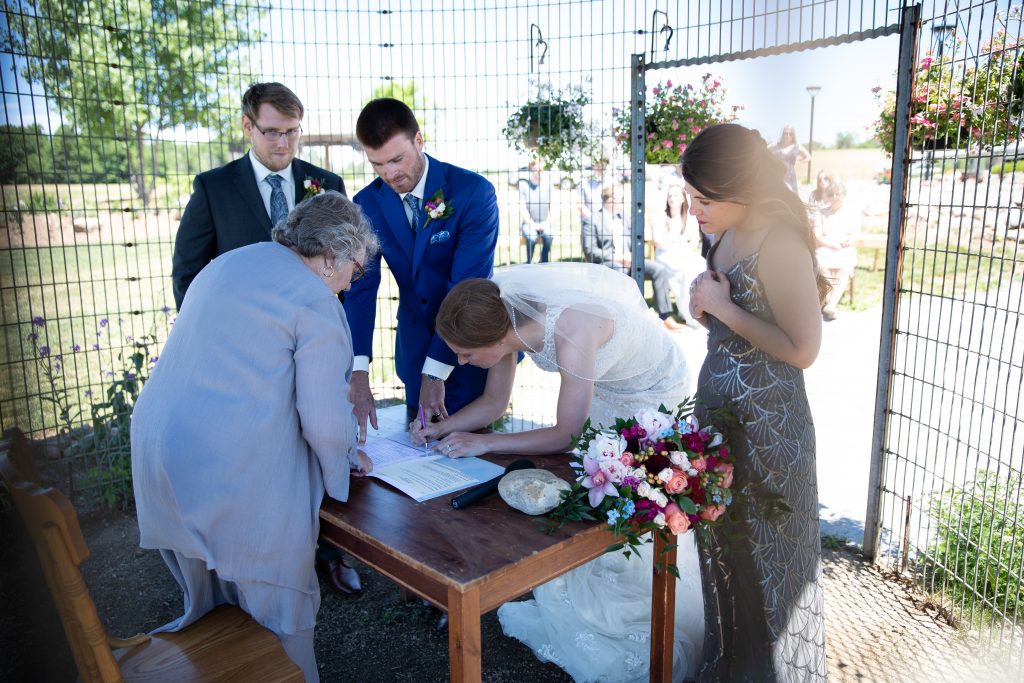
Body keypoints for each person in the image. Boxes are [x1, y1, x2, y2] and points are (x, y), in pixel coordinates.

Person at [410, 262, 703, 681]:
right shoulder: (504, 319)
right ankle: (588, 597)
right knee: (597, 489)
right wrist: (441, 427)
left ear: (496, 339)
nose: (460, 361)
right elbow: (494, 403)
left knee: (626, 493)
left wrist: (486, 441)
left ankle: (638, 606)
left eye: (466, 354)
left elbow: (566, 432)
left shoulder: (573, 329)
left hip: (651, 391)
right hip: (606, 386)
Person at [132, 192, 379, 682]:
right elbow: (325, 422)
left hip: (157, 452)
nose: (355, 279)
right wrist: (345, 469)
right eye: (357, 266)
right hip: (229, 470)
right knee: (283, 614)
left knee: (216, 602)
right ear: (332, 256)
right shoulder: (316, 300)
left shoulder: (231, 262)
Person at [683, 123, 829, 681]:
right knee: (724, 552)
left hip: (770, 429)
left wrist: (721, 309)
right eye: (690, 196)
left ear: (742, 188)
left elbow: (803, 349)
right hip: (718, 416)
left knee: (773, 562)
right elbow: (722, 309)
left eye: (704, 199)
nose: (693, 209)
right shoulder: (722, 231)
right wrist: (704, 305)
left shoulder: (780, 242)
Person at [344, 97, 499, 433]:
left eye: (397, 159)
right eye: (377, 164)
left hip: (470, 352)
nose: (390, 173)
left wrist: (436, 372)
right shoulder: (367, 203)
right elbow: (360, 289)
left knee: (473, 450)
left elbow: (465, 290)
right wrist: (358, 371)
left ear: (419, 140)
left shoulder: (473, 193)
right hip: (414, 352)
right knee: (420, 446)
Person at [171, 82, 345, 310]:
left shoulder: (329, 184)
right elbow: (187, 273)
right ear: (247, 125)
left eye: (292, 131)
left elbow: (346, 264)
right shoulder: (213, 189)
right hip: (242, 328)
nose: (284, 144)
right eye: (272, 132)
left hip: (314, 327)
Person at [582, 183, 685, 331]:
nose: (624, 202)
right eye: (621, 199)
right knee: (619, 270)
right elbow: (590, 251)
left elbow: (637, 240)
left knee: (659, 269)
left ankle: (665, 317)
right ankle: (624, 319)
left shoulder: (626, 217)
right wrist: (616, 257)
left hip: (631, 260)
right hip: (608, 263)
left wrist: (633, 256)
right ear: (609, 200)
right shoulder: (592, 220)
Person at [650, 182, 704, 326]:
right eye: (670, 195)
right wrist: (675, 248)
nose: (672, 198)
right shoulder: (660, 216)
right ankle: (688, 311)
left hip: (684, 253)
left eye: (675, 195)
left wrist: (683, 250)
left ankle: (699, 307)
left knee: (699, 264)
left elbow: (694, 241)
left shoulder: (690, 217)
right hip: (665, 254)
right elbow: (657, 241)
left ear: (682, 198)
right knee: (684, 271)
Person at [813, 180, 859, 321]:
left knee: (843, 271)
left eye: (838, 194)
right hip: (826, 246)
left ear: (843, 195)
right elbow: (817, 234)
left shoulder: (852, 212)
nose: (834, 197)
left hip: (844, 247)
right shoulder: (820, 213)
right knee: (824, 269)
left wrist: (848, 241)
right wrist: (830, 244)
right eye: (831, 194)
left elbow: (856, 234)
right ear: (827, 196)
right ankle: (830, 303)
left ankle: (831, 305)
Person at [518, 158, 553, 263]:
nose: (538, 172)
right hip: (529, 223)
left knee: (549, 235)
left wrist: (547, 223)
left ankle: (543, 261)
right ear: (531, 169)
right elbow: (522, 208)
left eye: (541, 170)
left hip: (544, 222)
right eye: (535, 170)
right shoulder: (524, 185)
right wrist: (532, 224)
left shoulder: (548, 184)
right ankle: (529, 263)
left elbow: (553, 206)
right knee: (532, 237)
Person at [768, 125, 810, 194]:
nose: (787, 135)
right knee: (775, 196)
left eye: (790, 134)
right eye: (785, 133)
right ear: (782, 134)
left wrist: (798, 162)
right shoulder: (775, 145)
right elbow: (763, 151)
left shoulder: (797, 147)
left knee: (792, 197)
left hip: (790, 176)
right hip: (776, 175)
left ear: (793, 135)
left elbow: (808, 157)